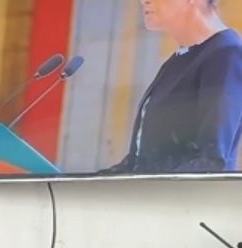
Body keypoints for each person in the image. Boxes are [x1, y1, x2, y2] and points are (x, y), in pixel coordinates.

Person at [103, 0, 242, 174]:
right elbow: (141, 161)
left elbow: (211, 161)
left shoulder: (226, 54)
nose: (144, 1)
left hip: (186, 192)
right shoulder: (176, 61)